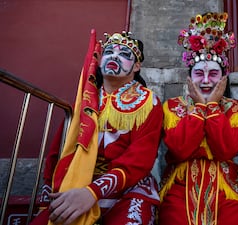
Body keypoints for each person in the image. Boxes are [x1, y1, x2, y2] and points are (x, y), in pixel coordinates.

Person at [30, 29, 163, 225]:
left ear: (136, 66)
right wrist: (47, 199)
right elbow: (58, 151)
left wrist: (93, 192)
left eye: (124, 54)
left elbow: (139, 161)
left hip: (128, 190)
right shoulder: (84, 99)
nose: (114, 56)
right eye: (108, 52)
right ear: (99, 61)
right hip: (78, 184)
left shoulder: (148, 102)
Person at [157, 12, 238, 225]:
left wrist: (213, 106)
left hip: (227, 186)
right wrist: (198, 109)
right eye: (199, 74)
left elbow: (224, 150)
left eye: (213, 74)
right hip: (180, 183)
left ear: (224, 79)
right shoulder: (173, 107)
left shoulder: (237, 108)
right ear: (189, 78)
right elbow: (181, 149)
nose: (206, 81)